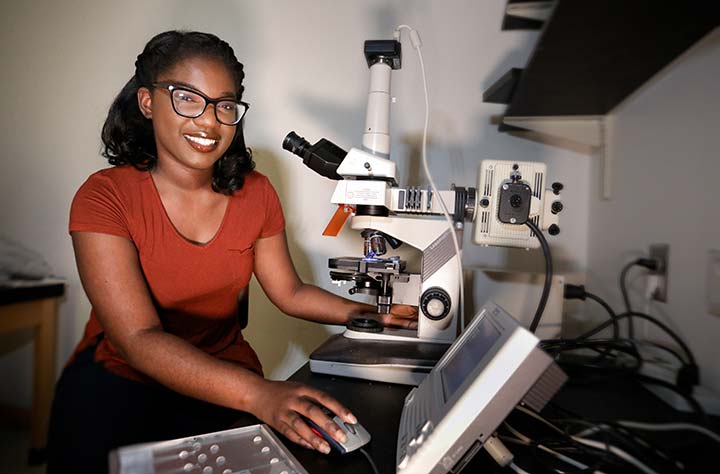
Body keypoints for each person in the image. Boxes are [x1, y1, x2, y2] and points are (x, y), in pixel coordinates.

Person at [46, 30, 417, 473]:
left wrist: (370, 316)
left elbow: (291, 292)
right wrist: (257, 394)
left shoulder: (255, 192)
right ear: (147, 102)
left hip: (224, 376)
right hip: (126, 380)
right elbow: (138, 339)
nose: (209, 121)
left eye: (224, 105)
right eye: (187, 98)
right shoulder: (105, 196)